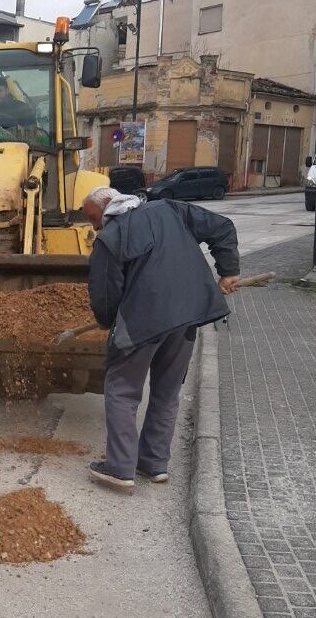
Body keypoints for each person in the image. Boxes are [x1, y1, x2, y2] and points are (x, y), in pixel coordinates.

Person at [82, 186, 240, 493]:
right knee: (167, 391)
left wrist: (106, 321)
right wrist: (229, 270)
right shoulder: (169, 209)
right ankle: (153, 463)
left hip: (143, 321)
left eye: (93, 218)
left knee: (121, 390)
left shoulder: (110, 238)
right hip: (187, 316)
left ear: (106, 207)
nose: (95, 226)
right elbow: (221, 226)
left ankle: (119, 468)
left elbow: (105, 294)